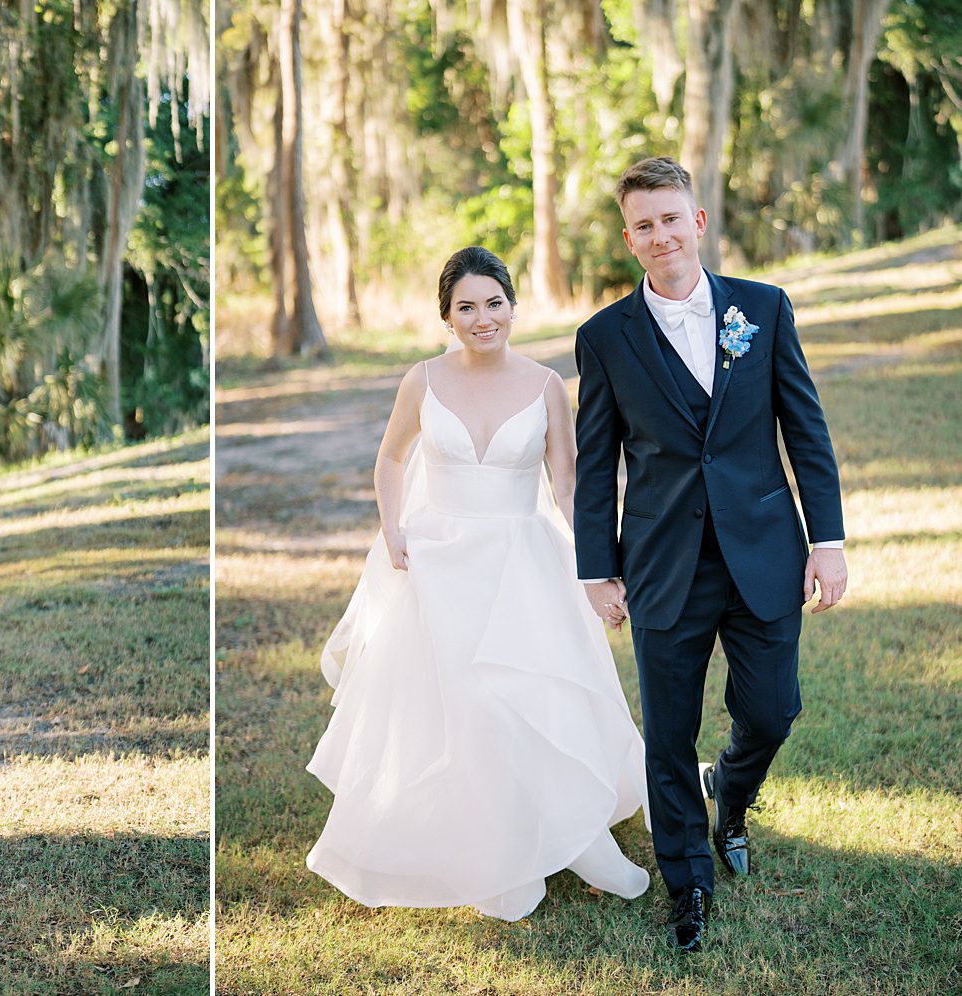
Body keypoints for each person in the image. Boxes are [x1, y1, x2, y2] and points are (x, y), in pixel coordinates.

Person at [306, 247, 650, 920]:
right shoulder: (423, 380)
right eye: (466, 306)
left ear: (513, 308)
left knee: (527, 699)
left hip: (521, 559)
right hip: (439, 563)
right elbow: (390, 459)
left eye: (494, 303)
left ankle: (573, 834)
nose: (483, 318)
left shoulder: (547, 385)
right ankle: (494, 854)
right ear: (447, 316)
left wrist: (598, 566)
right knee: (463, 706)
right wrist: (393, 528)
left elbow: (567, 486)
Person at [574, 156, 847, 951]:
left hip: (764, 549)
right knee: (667, 733)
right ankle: (686, 882)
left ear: (697, 222)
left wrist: (826, 542)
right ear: (629, 240)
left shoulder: (763, 309)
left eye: (671, 218)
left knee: (772, 711)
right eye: (643, 225)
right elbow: (597, 464)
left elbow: (807, 431)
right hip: (661, 562)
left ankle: (731, 790)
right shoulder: (604, 338)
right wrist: (599, 569)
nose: (660, 235)